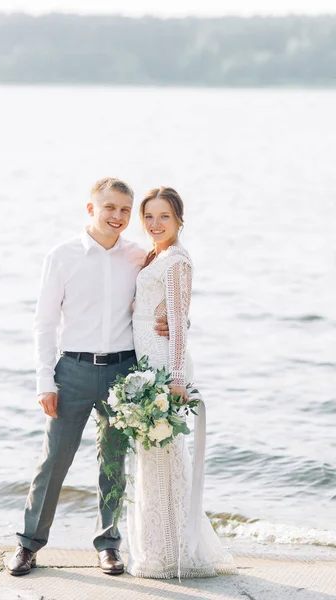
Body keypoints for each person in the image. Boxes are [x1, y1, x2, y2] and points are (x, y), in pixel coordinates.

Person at [8, 177, 168, 577]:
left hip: (123, 373)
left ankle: (108, 545)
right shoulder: (61, 256)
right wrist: (45, 380)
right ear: (91, 209)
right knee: (54, 459)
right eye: (110, 207)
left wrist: (168, 321)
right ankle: (28, 544)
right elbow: (44, 323)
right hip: (73, 371)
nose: (118, 216)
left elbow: (156, 304)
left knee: (114, 460)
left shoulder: (139, 257)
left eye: (125, 210)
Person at [127, 187, 235, 579]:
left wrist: (175, 379)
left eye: (164, 217)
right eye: (150, 217)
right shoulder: (155, 255)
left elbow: (177, 323)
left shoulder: (176, 261)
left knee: (165, 457)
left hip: (160, 367)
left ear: (179, 221)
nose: (156, 225)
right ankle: (158, 547)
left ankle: (173, 554)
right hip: (143, 365)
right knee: (151, 460)